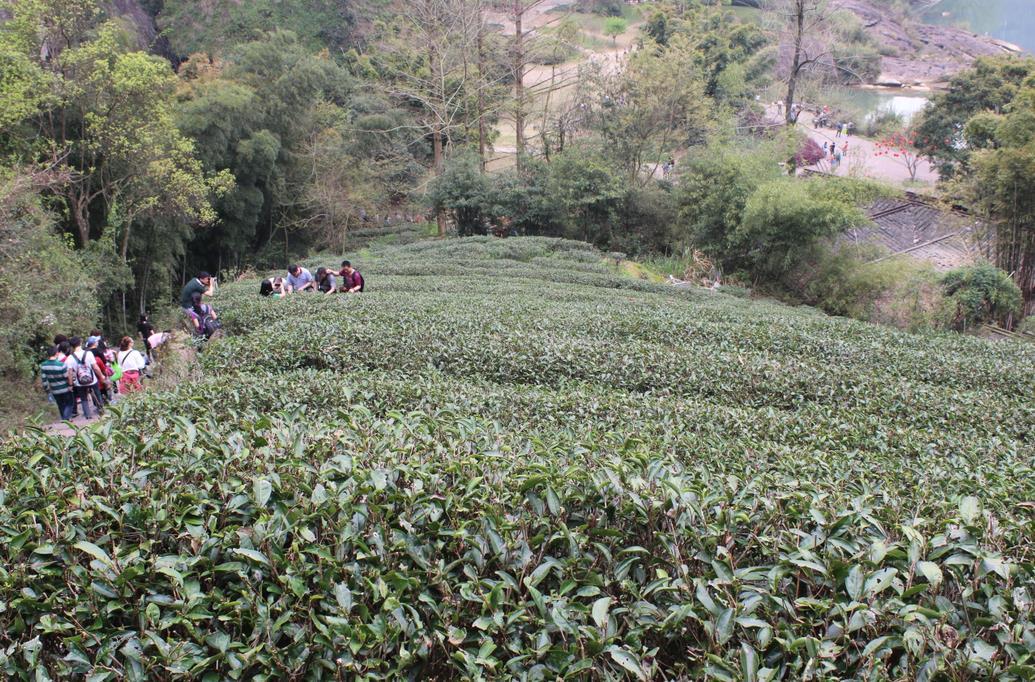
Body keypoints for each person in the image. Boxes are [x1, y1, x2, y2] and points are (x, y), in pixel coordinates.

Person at [65, 336, 103, 419]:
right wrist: (101, 377)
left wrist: (70, 385)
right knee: (97, 394)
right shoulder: (89, 354)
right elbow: (95, 368)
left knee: (84, 399)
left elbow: (70, 373)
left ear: (71, 346)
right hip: (92, 380)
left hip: (79, 382)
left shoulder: (70, 358)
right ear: (80, 343)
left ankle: (88, 416)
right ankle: (101, 410)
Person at [40, 345, 75, 421]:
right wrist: (70, 385)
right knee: (70, 403)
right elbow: (67, 376)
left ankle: (64, 419)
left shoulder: (43, 366)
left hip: (54, 390)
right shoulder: (61, 365)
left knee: (60, 404)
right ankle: (66, 417)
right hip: (65, 388)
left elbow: (44, 380)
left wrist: (47, 390)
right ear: (57, 353)